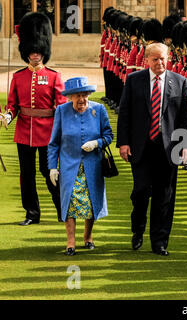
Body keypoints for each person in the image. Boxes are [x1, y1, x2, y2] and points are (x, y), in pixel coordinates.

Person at [117, 42, 187, 256]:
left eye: (163, 59)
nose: (160, 63)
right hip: (141, 146)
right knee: (140, 193)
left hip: (167, 148)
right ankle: (138, 229)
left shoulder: (180, 82)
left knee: (164, 196)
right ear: (146, 60)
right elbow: (125, 114)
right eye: (155, 59)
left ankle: (159, 241)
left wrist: (186, 145)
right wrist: (124, 142)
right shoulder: (134, 80)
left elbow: (186, 118)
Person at [0, 12, 67, 226]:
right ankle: (32, 213)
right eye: (31, 51)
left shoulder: (54, 76)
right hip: (23, 132)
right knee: (26, 175)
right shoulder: (18, 77)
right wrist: (8, 116)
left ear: (43, 52)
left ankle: (61, 209)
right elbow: (13, 104)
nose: (35, 54)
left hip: (47, 132)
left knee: (50, 173)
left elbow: (62, 106)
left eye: (38, 51)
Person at [47, 77, 113, 256]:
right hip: (69, 166)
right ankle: (70, 241)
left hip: (92, 165)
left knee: (91, 203)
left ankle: (88, 236)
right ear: (70, 97)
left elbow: (109, 135)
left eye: (85, 95)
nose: (82, 100)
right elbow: (54, 143)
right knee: (69, 204)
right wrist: (53, 167)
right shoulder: (61, 111)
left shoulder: (98, 109)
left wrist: (96, 143)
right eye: (78, 96)